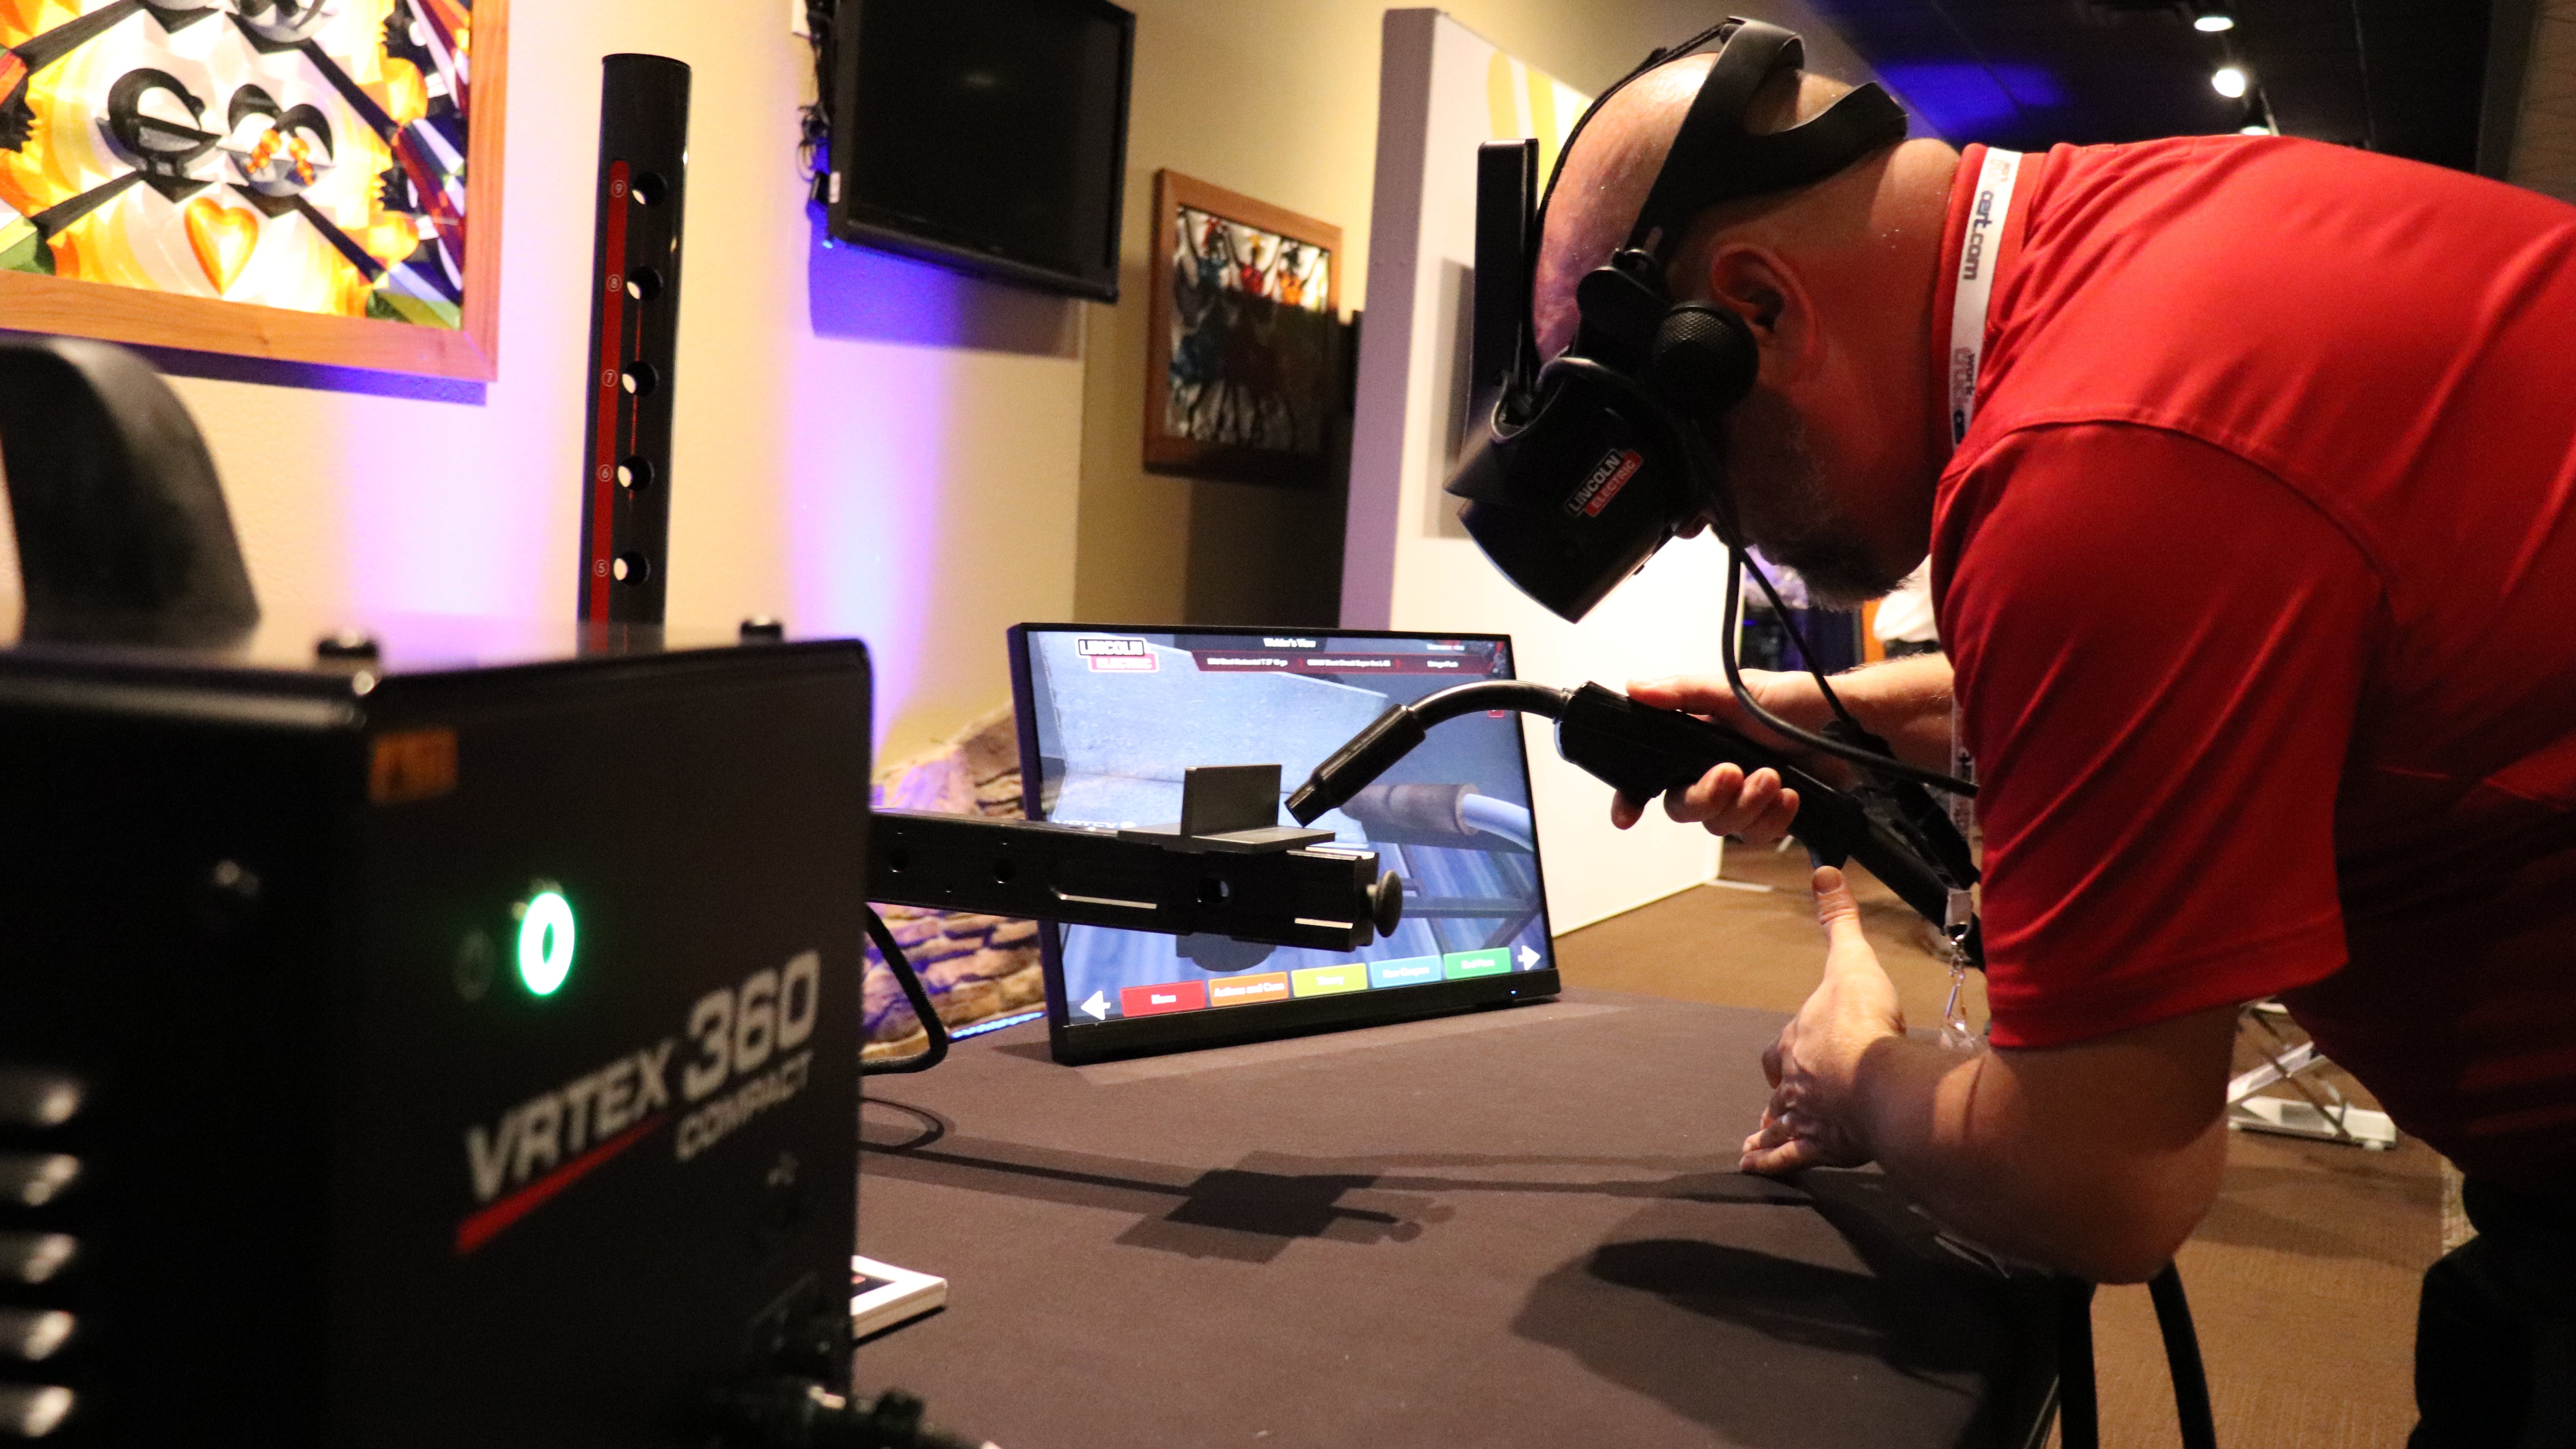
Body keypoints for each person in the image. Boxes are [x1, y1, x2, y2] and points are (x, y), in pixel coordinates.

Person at [1541, 45, 2576, 1446]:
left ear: (1753, 312)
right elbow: (2246, 663)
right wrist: (1821, 721)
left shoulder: (2089, 457)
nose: (1731, 529)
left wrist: (1852, 1069)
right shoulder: (2151, 238)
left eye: (1703, 473)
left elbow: (2102, 1182)